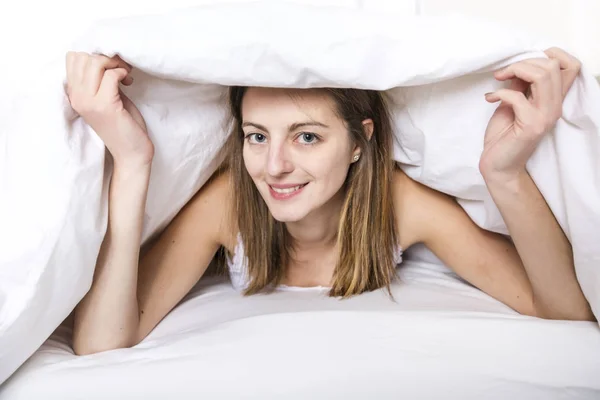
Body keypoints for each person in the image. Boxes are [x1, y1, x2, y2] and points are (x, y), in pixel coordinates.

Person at [66, 47, 595, 355]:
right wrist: (132, 164)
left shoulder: (400, 202)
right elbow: (101, 343)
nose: (273, 167)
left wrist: (503, 174)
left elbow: (564, 312)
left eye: (307, 137)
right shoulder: (230, 202)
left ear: (360, 142)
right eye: (257, 136)